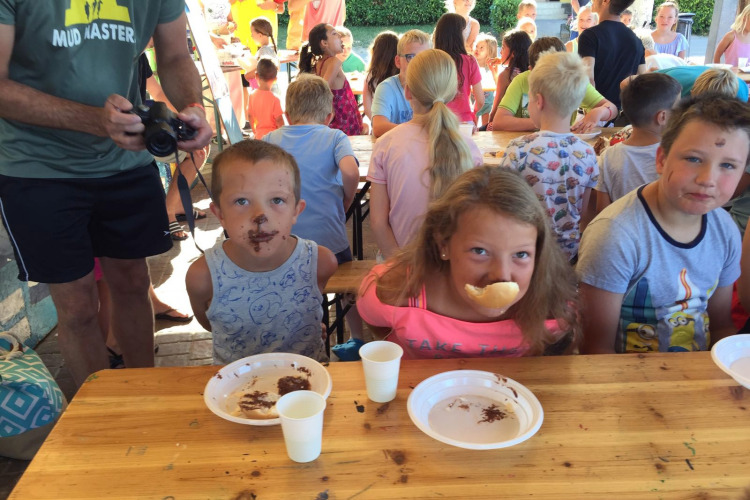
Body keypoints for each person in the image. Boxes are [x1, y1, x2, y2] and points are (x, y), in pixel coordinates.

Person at [0, 2, 212, 387]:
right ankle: (99, 417)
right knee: (77, 306)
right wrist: (93, 120)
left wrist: (192, 106)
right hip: (37, 167)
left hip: (125, 162)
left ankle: (143, 397)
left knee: (133, 283)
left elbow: (175, 54)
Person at [577, 94, 750, 354]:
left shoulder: (725, 231)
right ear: (660, 160)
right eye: (693, 159)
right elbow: (595, 347)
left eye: (728, 165)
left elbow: (721, 326)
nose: (708, 179)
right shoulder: (613, 235)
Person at [358, 166, 581, 359]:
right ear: (443, 244)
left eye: (521, 255)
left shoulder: (553, 309)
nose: (501, 275)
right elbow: (378, 326)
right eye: (480, 251)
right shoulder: (395, 292)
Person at [185, 140, 338, 364]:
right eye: (241, 201)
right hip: (236, 387)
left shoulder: (320, 263)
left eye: (277, 200)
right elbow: (211, 324)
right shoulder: (202, 276)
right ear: (220, 214)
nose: (260, 216)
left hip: (307, 390)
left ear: (296, 210)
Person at [262, 74, 362, 360]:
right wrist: (346, 198)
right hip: (330, 240)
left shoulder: (271, 139)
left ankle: (290, 337)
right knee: (348, 287)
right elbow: (351, 172)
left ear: (287, 113)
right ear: (330, 115)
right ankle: (357, 339)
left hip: (285, 241)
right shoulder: (334, 136)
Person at [369, 49, 483, 258]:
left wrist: (401, 269)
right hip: (453, 270)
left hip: (399, 265)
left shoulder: (386, 144)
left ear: (408, 92)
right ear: (452, 92)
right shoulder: (468, 148)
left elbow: (377, 222)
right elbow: (475, 219)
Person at [499, 51, 598, 261]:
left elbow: (506, 208)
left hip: (527, 253)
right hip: (569, 255)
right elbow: (583, 212)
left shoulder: (517, 149)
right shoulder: (587, 152)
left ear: (539, 101)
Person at [595, 73, 682, 213]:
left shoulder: (607, 157)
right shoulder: (675, 154)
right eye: (678, 108)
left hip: (622, 232)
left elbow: (602, 211)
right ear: (663, 117)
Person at [491, 37, 617, 133]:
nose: (551, 79)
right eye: (544, 73)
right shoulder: (521, 81)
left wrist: (599, 112)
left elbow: (612, 108)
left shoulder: (571, 80)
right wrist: (547, 123)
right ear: (531, 69)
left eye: (555, 72)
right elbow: (499, 121)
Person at [578, 0, 645, 109]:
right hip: (626, 114)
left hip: (598, 114)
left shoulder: (589, 36)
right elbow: (641, 80)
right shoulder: (637, 41)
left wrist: (594, 112)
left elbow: (588, 80)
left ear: (605, 1)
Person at [299, 23, 362, 135]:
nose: (339, 36)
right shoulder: (334, 61)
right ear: (324, 43)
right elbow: (323, 89)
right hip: (343, 123)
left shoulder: (319, 63)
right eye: (334, 34)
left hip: (337, 122)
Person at [371, 29, 431, 138]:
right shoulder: (387, 88)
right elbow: (379, 127)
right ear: (398, 61)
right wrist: (417, 130)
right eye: (411, 57)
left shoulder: (433, 86)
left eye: (424, 58)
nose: (418, 63)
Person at [433, 13, 483, 125]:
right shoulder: (470, 61)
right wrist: (473, 113)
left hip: (438, 120)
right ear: (458, 35)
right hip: (464, 121)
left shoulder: (432, 60)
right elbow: (480, 100)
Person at [487, 30, 532, 126]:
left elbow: (495, 109)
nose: (500, 51)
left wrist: (489, 122)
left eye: (503, 48)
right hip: (529, 125)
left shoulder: (506, 75)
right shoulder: (531, 72)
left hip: (509, 126)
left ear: (513, 53)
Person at [363, 31, 399, 124]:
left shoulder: (371, 76)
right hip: (399, 123)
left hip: (379, 124)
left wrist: (376, 123)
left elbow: (367, 108)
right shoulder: (400, 74)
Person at [246, 58, 284, 139]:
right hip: (273, 137)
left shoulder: (252, 96)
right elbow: (279, 120)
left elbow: (250, 115)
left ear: (256, 76)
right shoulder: (275, 99)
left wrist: (254, 131)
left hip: (259, 135)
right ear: (275, 79)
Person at [473, 33, 498, 126]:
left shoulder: (491, 66)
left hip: (488, 96)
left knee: (485, 120)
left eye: (481, 48)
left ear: (489, 51)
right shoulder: (473, 64)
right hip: (475, 95)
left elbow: (496, 80)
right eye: (476, 46)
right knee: (474, 115)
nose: (477, 49)